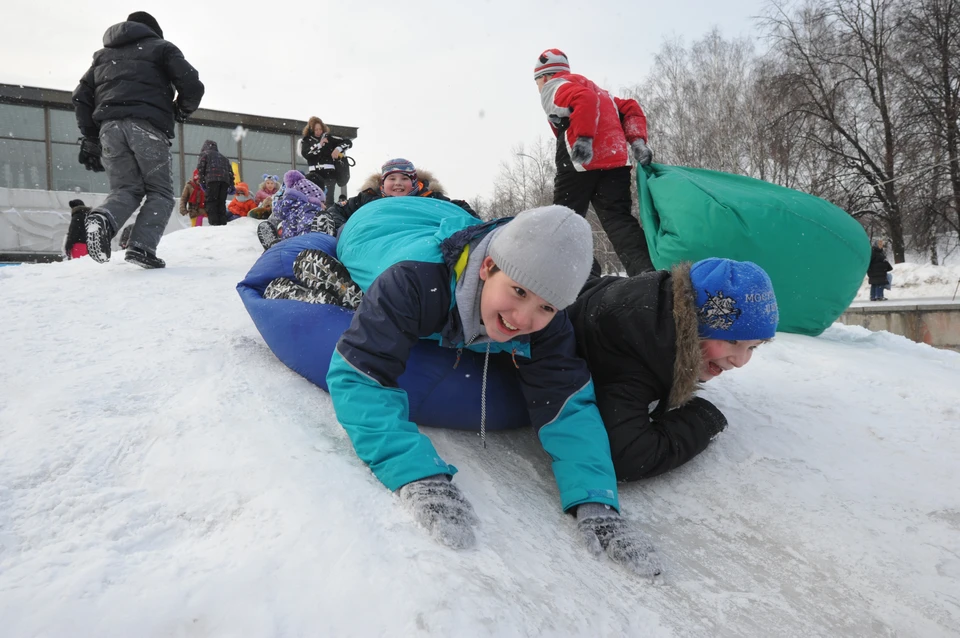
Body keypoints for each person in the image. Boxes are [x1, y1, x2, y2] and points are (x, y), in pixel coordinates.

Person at [272, 199, 662, 577]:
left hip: (446, 213)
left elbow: (568, 403)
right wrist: (416, 474)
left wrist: (596, 500)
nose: (524, 318)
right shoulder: (414, 281)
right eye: (519, 291)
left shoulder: (549, 326)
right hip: (376, 221)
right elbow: (359, 372)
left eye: (546, 307)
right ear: (487, 266)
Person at [567, 258, 779, 481]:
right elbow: (628, 457)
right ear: (694, 323)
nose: (740, 361)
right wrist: (700, 420)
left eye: (753, 347)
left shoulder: (666, 318)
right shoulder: (637, 347)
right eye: (732, 341)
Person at [73, 11, 204, 270]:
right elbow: (192, 85)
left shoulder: (102, 56)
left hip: (109, 129)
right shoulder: (161, 48)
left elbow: (80, 97)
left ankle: (103, 217)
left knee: (125, 189)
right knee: (160, 192)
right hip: (147, 126)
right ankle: (142, 247)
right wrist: (180, 110)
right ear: (153, 30)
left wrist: (90, 136)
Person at [534, 49, 654, 276]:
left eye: (537, 82)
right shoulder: (600, 91)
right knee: (618, 220)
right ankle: (647, 274)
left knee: (564, 220)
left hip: (581, 161)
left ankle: (585, 279)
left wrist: (584, 139)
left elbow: (583, 100)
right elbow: (630, 107)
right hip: (616, 161)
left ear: (545, 76)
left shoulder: (555, 86)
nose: (538, 87)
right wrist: (637, 142)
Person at [310, 158, 479, 235]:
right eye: (392, 178)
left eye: (404, 179)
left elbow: (459, 208)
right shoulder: (368, 198)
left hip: (416, 237)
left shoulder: (429, 198)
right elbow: (337, 210)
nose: (398, 183)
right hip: (376, 238)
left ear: (414, 184)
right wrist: (345, 230)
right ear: (382, 184)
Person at [299, 116, 352, 208]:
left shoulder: (330, 139)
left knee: (328, 200)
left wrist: (337, 149)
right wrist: (319, 145)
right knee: (314, 198)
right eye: (316, 129)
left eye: (320, 129)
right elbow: (306, 153)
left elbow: (348, 142)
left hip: (329, 174)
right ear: (311, 130)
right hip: (314, 175)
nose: (318, 131)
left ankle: (328, 218)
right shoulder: (306, 141)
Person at [196, 140, 234, 226]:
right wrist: (231, 184)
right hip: (225, 181)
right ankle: (222, 223)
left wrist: (202, 182)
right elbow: (230, 172)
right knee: (221, 202)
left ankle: (214, 224)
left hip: (212, 180)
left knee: (211, 202)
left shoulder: (205, 154)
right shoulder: (224, 157)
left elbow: (201, 168)